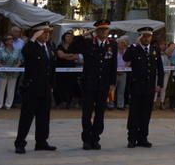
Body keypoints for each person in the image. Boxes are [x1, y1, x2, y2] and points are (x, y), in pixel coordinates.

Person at [63, 19, 118, 150]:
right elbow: (71, 48)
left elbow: (113, 65)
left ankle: (96, 138)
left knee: (100, 112)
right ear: (96, 31)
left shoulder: (112, 44)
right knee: (87, 112)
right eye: (100, 29)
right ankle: (86, 139)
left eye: (105, 29)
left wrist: (112, 83)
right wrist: (84, 34)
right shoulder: (88, 43)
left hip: (103, 84)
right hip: (89, 83)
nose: (103, 32)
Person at [14, 22, 57, 154]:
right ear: (37, 34)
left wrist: (52, 85)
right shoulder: (31, 47)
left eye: (48, 33)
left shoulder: (48, 47)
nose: (46, 35)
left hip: (45, 87)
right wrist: (33, 38)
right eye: (43, 32)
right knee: (27, 116)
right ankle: (20, 143)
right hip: (32, 87)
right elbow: (25, 52)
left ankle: (41, 142)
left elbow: (51, 67)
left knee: (44, 117)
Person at [123, 27, 164, 148]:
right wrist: (135, 44)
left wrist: (159, 83)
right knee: (134, 112)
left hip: (149, 86)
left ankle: (143, 137)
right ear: (141, 37)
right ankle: (132, 138)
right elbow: (126, 58)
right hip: (136, 86)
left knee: (146, 113)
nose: (147, 39)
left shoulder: (154, 49)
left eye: (149, 36)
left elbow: (159, 68)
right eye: (144, 36)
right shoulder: (134, 48)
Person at [54, 30, 80, 109]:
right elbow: (60, 55)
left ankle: (70, 102)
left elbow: (76, 56)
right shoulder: (60, 46)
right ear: (64, 37)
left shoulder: (74, 46)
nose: (69, 38)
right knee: (60, 86)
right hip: (61, 70)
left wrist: (66, 56)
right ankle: (61, 102)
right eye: (67, 36)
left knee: (71, 86)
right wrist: (70, 55)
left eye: (70, 36)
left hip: (72, 70)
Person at [0, 35, 22, 110]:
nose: (11, 40)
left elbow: (19, 61)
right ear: (5, 41)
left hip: (14, 73)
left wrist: (15, 68)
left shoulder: (17, 50)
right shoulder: (0, 50)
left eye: (12, 39)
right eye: (9, 39)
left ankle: (8, 105)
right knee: (1, 89)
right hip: (3, 72)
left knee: (11, 89)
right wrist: (3, 68)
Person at [113, 38, 129, 110]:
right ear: (117, 44)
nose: (122, 44)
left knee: (121, 90)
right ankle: (110, 104)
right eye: (121, 43)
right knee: (112, 89)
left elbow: (129, 61)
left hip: (123, 73)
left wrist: (125, 68)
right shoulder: (114, 52)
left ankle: (120, 105)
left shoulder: (126, 52)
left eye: (124, 43)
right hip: (114, 72)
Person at [155, 41, 171, 110]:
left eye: (164, 44)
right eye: (161, 44)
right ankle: (154, 102)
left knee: (163, 88)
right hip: (158, 73)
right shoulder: (156, 53)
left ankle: (162, 102)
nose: (163, 46)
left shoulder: (167, 54)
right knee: (156, 87)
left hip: (166, 73)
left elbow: (169, 63)